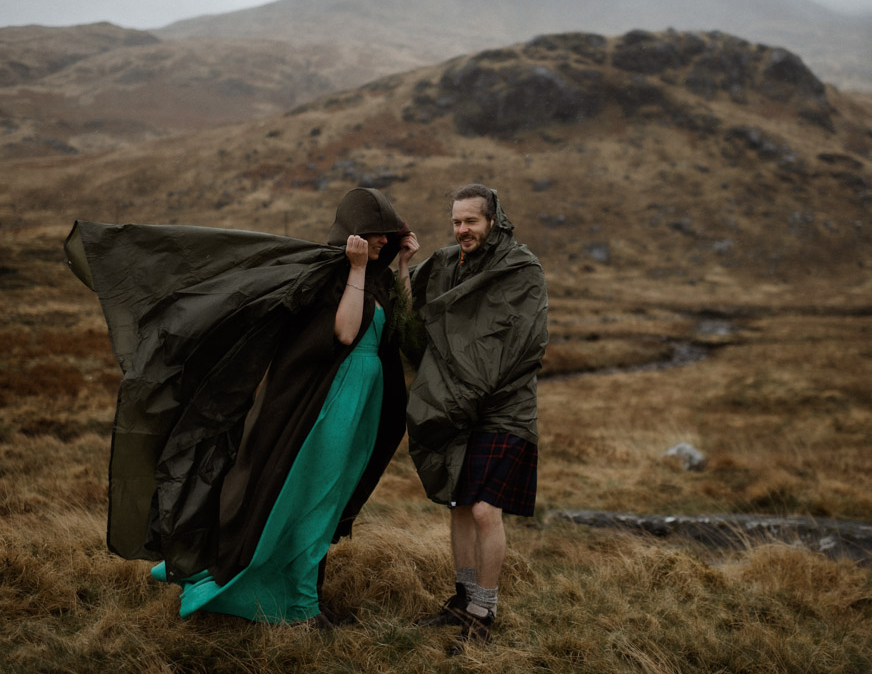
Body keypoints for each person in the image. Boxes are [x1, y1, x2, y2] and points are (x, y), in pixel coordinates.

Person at [64, 187, 419, 624]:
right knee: (312, 498)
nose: (383, 240)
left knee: (333, 497)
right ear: (353, 232)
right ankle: (302, 606)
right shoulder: (334, 275)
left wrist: (402, 264)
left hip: (366, 401)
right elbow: (345, 333)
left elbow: (401, 324)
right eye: (376, 232)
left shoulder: (374, 277)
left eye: (388, 233)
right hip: (333, 402)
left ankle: (302, 597)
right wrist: (358, 268)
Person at [404, 184, 548, 653]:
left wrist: (471, 394)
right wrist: (405, 263)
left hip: (503, 407)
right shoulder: (446, 263)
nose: (462, 230)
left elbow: (523, 344)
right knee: (460, 503)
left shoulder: (520, 268)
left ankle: (484, 612)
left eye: (471, 222)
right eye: (456, 222)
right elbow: (412, 310)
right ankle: (463, 600)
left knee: (486, 509)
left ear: (493, 221)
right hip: (455, 402)